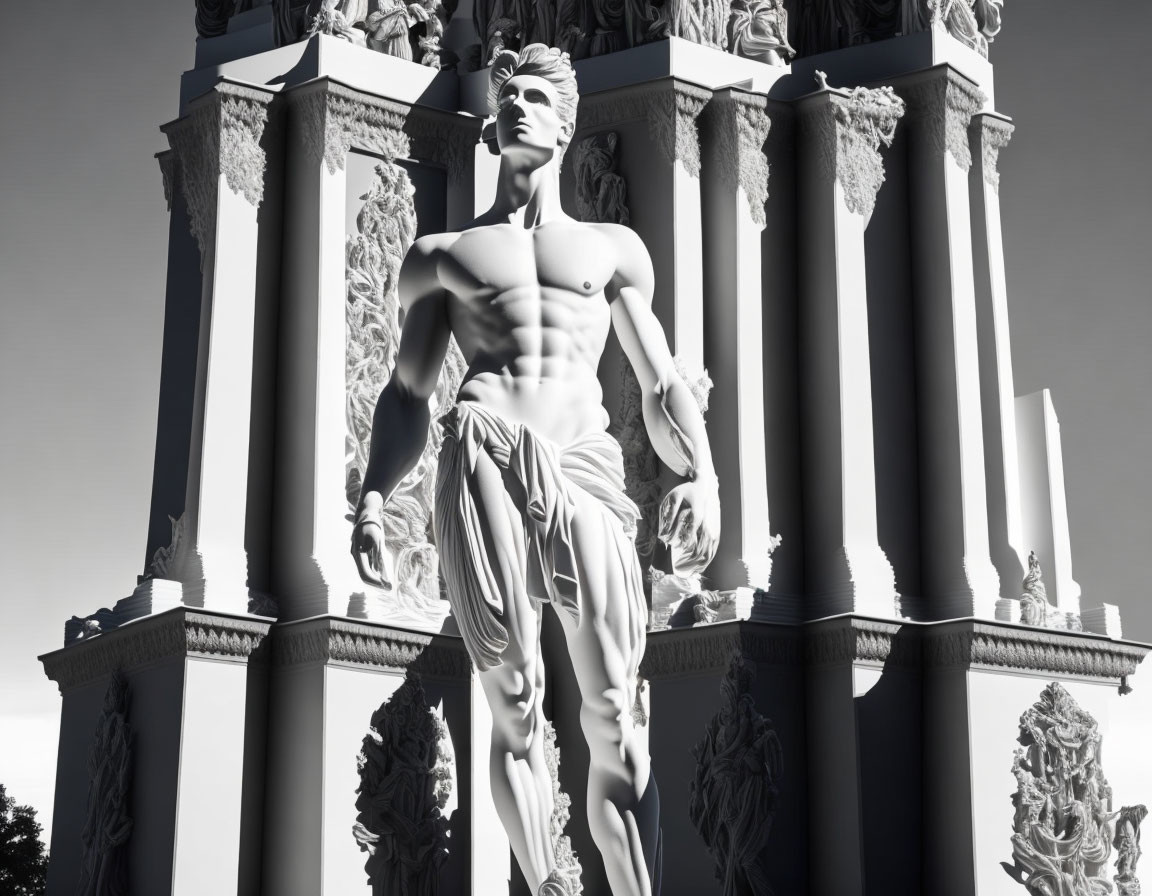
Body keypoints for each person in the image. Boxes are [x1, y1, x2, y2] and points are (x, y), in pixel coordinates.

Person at [352, 44, 721, 896]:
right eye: (505, 94)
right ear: (488, 123)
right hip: (482, 445)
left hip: (584, 468)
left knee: (617, 709)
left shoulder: (613, 250)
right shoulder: (443, 254)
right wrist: (374, 494)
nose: (516, 105)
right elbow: (408, 394)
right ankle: (548, 880)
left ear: (565, 123)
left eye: (534, 96)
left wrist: (701, 474)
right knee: (514, 699)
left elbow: (661, 381)